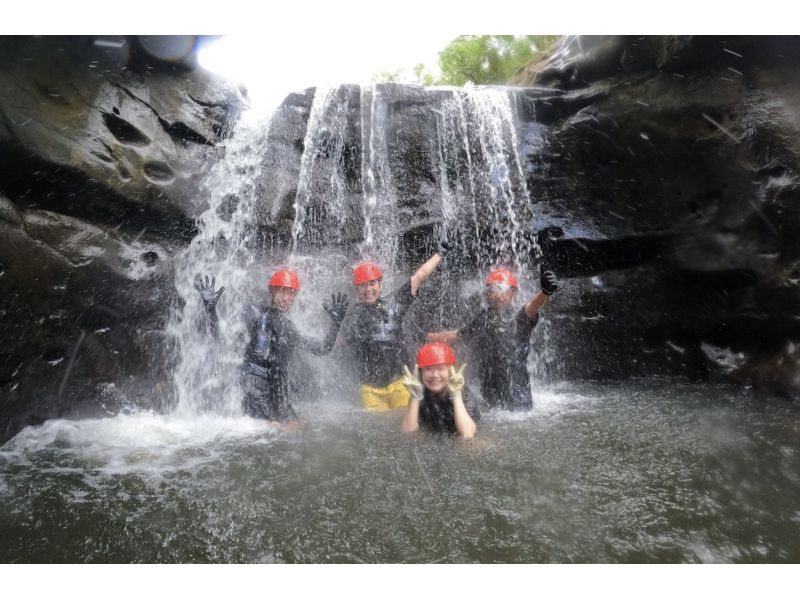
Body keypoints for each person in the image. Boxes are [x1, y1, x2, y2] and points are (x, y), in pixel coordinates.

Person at [195, 268, 349, 423]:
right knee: (276, 430)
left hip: (277, 391)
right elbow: (219, 337)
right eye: (281, 291)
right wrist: (211, 310)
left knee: (296, 429)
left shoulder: (289, 328)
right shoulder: (253, 313)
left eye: (290, 293)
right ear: (271, 291)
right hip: (253, 387)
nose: (285, 298)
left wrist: (336, 325)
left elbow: (323, 349)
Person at [337, 242, 451, 411]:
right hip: (370, 389)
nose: (368, 289)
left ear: (379, 284)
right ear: (356, 289)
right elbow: (338, 344)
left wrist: (440, 254)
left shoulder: (394, 305)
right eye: (362, 285)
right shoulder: (353, 315)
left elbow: (418, 277)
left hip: (400, 382)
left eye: (372, 284)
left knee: (406, 424)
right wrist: (336, 324)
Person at [428, 267, 559, 411]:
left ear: (512, 293)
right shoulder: (483, 318)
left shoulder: (519, 316)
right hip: (490, 394)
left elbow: (532, 307)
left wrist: (545, 292)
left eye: (503, 288)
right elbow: (459, 336)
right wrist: (428, 337)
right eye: (494, 288)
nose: (498, 294)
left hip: (517, 394)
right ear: (488, 293)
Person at [401, 342, 479, 438]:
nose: (434, 375)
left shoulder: (465, 395)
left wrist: (456, 395)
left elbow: (467, 435)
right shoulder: (418, 391)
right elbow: (408, 434)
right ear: (421, 372)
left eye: (440, 369)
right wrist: (415, 397)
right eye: (428, 369)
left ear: (450, 371)